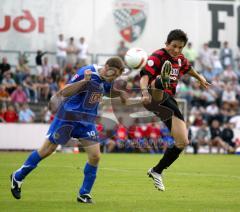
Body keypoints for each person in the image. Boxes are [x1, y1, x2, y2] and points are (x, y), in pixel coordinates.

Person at [10, 56, 127, 203]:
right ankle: (18, 176)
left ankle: (84, 194)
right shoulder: (87, 71)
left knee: (95, 156)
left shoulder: (107, 79)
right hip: (68, 117)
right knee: (46, 151)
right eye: (114, 73)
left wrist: (120, 93)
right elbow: (64, 92)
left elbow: (107, 91)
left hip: (86, 121)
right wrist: (84, 81)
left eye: (117, 75)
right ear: (107, 66)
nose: (115, 77)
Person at [140, 29, 210, 191]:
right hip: (152, 96)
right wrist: (144, 93)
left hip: (168, 101)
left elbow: (188, 68)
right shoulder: (157, 55)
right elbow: (144, 76)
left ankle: (157, 171)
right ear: (166, 44)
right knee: (156, 83)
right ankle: (159, 82)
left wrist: (200, 78)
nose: (177, 50)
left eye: (180, 47)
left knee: (182, 141)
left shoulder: (180, 59)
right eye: (174, 46)